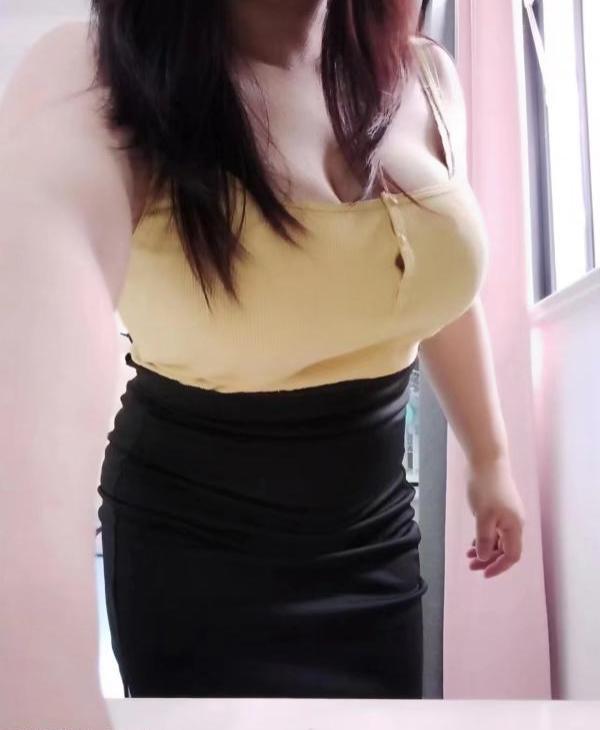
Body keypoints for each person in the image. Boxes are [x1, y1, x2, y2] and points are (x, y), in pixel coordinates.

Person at [0, 0, 527, 724]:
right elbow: (34, 280)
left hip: (373, 533)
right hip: (194, 547)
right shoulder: (105, 76)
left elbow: (429, 285)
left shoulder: (426, 75)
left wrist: (491, 460)